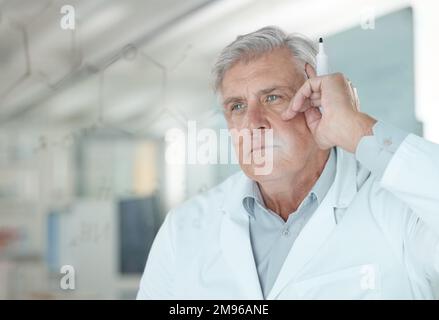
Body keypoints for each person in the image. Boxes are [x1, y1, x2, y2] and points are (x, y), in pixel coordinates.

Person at [137, 26, 439, 299]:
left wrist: (355, 128)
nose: (253, 123)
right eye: (237, 106)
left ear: (317, 101)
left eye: (273, 98)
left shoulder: (398, 209)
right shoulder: (184, 229)